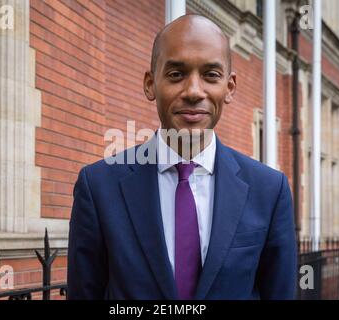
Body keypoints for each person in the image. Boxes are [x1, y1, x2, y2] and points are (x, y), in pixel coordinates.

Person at [67, 14, 297, 300]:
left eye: (211, 75)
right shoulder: (99, 186)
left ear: (230, 87)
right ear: (150, 84)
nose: (193, 92)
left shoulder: (269, 190)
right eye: (176, 74)